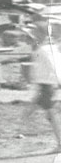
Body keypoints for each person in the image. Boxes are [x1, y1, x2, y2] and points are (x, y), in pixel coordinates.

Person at [22, 19, 61, 152]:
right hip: (45, 85)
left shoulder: (44, 51)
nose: (27, 40)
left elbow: (55, 66)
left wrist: (58, 84)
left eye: (30, 37)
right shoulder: (42, 49)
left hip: (49, 85)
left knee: (52, 114)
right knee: (51, 114)